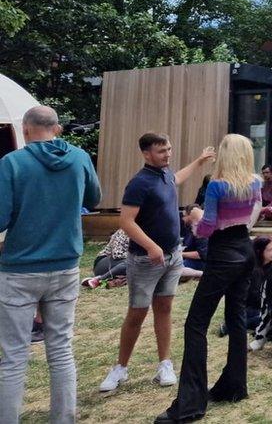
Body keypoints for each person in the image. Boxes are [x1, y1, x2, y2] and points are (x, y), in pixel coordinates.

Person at [0, 106, 101, 424]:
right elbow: (94, 199)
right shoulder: (80, 157)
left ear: (27, 130)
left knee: (14, 355)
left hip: (19, 268)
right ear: (55, 128)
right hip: (65, 265)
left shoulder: (12, 163)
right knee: (60, 348)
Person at [157, 134, 262, 424]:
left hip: (223, 253)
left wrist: (196, 220)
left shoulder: (217, 186)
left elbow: (208, 227)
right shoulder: (255, 182)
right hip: (245, 249)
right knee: (237, 318)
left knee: (196, 325)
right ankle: (234, 386)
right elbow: (253, 215)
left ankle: (189, 404)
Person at [100, 133, 214, 394]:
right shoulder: (139, 183)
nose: (168, 154)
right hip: (144, 259)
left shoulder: (164, 175)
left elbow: (176, 179)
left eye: (169, 149)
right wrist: (151, 246)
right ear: (146, 154)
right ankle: (121, 367)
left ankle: (165, 363)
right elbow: (126, 222)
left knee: (164, 308)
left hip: (172, 256)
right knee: (137, 313)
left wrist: (198, 161)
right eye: (162, 151)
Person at [219, 236, 272, 337]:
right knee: (271, 319)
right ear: (259, 251)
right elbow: (254, 297)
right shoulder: (252, 270)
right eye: (270, 250)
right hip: (249, 306)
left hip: (262, 304)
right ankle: (231, 325)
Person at [179, 205, 207, 279]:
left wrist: (180, 254)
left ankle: (201, 274)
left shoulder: (201, 230)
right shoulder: (190, 228)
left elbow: (201, 255)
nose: (183, 219)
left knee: (174, 268)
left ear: (191, 215)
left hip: (202, 262)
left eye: (184, 216)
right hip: (191, 260)